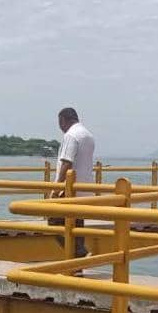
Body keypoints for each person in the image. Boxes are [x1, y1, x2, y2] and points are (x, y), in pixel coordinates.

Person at [54, 107, 96, 258]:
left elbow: (67, 163)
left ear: (64, 120)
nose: (60, 127)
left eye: (60, 123)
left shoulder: (71, 135)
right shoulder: (88, 135)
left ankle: (79, 253)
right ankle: (78, 262)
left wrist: (56, 189)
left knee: (53, 223)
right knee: (77, 226)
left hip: (69, 190)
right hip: (84, 189)